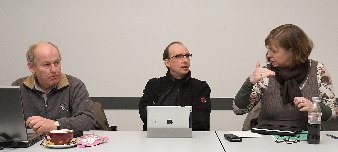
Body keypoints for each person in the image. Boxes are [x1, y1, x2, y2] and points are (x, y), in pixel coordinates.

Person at [233, 24, 336, 130]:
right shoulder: (266, 73)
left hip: (307, 139)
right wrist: (249, 82)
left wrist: (314, 107)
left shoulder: (318, 70)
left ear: (291, 51)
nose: (268, 55)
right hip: (268, 138)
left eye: (274, 51)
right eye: (268, 50)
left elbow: (333, 115)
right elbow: (238, 110)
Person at [12, 41, 95, 134]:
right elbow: (7, 121)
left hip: (65, 144)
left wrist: (56, 125)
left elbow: (88, 120)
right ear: (31, 67)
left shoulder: (74, 85)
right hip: (30, 145)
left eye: (57, 63)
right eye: (46, 65)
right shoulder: (18, 87)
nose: (54, 70)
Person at [138, 42, 211, 131]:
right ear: (167, 62)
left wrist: (162, 119)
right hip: (157, 139)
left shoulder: (200, 87)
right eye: (178, 56)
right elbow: (145, 115)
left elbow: (201, 121)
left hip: (190, 141)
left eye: (187, 56)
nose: (185, 60)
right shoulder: (154, 85)